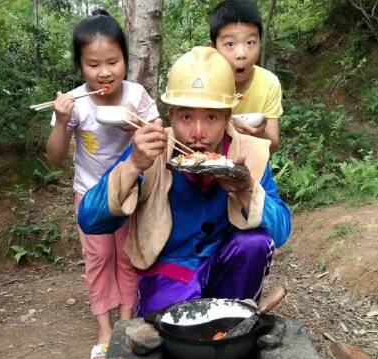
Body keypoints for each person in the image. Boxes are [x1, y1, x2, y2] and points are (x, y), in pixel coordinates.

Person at [78, 46, 291, 317]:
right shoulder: (151, 150)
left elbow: (281, 230)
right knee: (170, 333)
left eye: (211, 117)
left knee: (253, 244)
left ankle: (234, 316)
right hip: (169, 269)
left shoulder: (248, 152)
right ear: (171, 115)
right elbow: (90, 220)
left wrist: (247, 190)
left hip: (225, 264)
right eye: (186, 116)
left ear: (227, 116)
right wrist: (133, 166)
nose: (198, 133)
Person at [45, 9, 159, 359]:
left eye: (113, 61)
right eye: (93, 64)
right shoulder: (75, 103)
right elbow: (54, 157)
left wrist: (139, 129)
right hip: (90, 194)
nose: (105, 72)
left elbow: (158, 138)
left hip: (128, 193)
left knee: (127, 257)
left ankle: (125, 323)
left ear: (125, 58)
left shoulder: (136, 96)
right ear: (81, 65)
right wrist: (61, 122)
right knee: (98, 259)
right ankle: (104, 328)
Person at [209, 0, 284, 152]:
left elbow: (274, 144)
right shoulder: (205, 82)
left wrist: (261, 134)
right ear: (213, 48)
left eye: (250, 42)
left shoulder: (269, 83)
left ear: (260, 43)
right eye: (230, 44)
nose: (242, 54)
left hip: (251, 164)